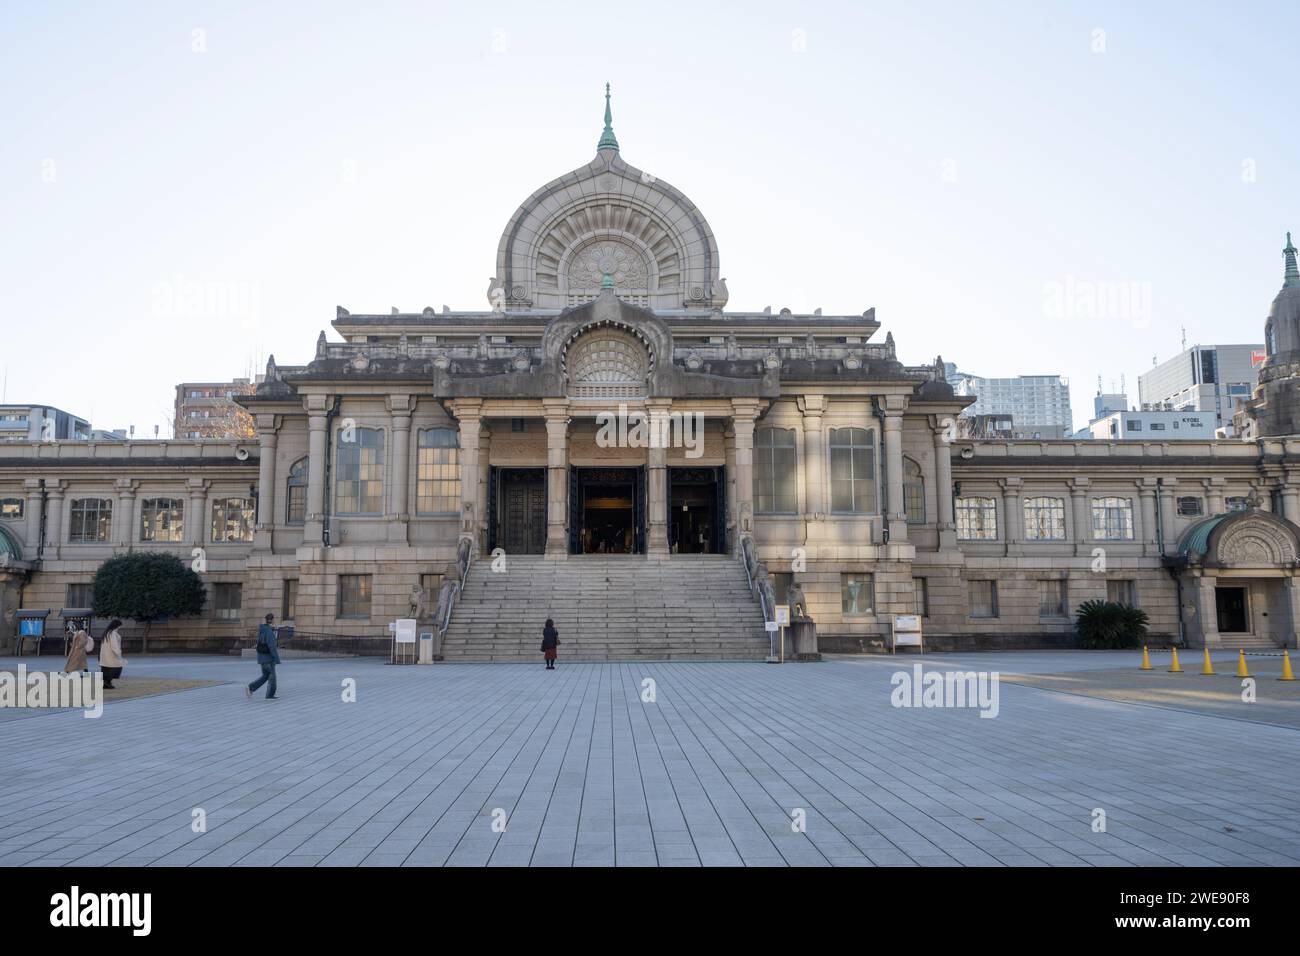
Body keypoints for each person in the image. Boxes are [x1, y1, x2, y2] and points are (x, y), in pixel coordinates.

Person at [245, 613, 281, 700]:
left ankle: (251, 688)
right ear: (271, 620)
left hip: (261, 658)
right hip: (269, 659)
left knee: (265, 676)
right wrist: (276, 659)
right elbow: (272, 646)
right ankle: (270, 695)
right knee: (272, 678)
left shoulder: (262, 630)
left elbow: (259, 644)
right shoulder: (269, 632)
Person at [99, 620, 126, 688]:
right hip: (111, 654)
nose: (119, 628)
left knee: (106, 669)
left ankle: (106, 683)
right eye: (119, 626)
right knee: (116, 668)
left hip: (105, 654)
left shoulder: (107, 633)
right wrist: (118, 654)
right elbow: (115, 646)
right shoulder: (112, 633)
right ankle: (107, 682)